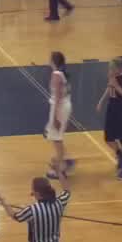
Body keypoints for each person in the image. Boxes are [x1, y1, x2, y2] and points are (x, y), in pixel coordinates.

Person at [97, 56, 122, 180]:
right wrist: (101, 101)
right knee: (108, 138)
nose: (110, 70)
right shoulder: (112, 74)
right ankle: (120, 155)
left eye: (113, 68)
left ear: (119, 68)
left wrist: (117, 86)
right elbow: (109, 87)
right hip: (112, 108)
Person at [44, 51, 74, 180]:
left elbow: (57, 97)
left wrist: (56, 117)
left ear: (53, 61)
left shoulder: (56, 74)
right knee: (56, 137)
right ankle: (64, 160)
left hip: (60, 107)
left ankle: (61, 168)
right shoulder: (63, 73)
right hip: (65, 105)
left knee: (57, 139)